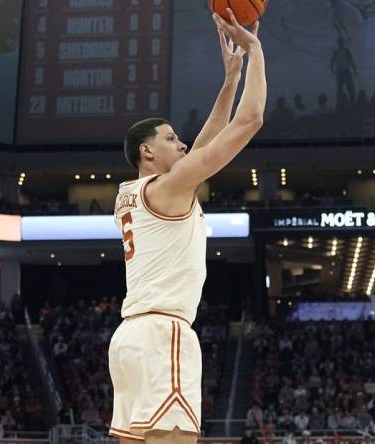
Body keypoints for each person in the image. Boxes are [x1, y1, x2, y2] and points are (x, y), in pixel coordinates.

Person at [108, 8, 265, 444]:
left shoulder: (134, 192)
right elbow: (249, 122)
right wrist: (254, 50)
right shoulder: (170, 187)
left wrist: (231, 78)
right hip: (162, 332)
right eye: (171, 137)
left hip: (129, 340)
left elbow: (203, 143)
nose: (181, 142)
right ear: (147, 151)